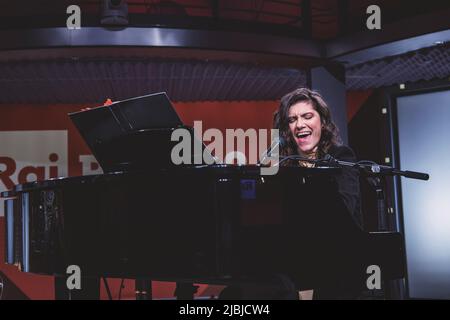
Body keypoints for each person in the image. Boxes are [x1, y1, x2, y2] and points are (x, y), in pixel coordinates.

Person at [273, 87, 362, 227]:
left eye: (307, 116)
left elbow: (345, 212)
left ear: (323, 122)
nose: (300, 125)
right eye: (292, 119)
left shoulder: (341, 156)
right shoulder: (283, 164)